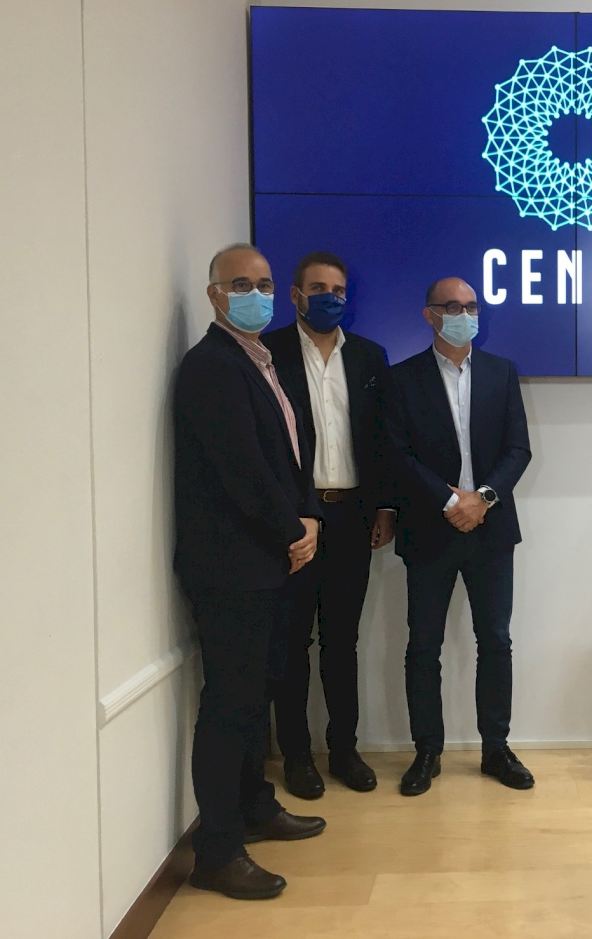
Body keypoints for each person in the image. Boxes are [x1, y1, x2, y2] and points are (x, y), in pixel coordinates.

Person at [173, 243, 326, 900]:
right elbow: (242, 470)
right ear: (214, 294)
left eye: (264, 284)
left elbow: (291, 453)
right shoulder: (211, 366)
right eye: (241, 284)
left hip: (269, 558)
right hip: (231, 565)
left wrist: (307, 516)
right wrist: (293, 529)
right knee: (229, 705)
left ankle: (255, 807)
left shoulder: (259, 361)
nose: (256, 295)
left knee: (256, 696)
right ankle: (217, 849)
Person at [389, 277, 535, 795]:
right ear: (429, 315)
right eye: (452, 307)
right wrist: (451, 501)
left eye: (471, 306)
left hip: (491, 530)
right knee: (423, 645)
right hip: (430, 528)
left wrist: (483, 498)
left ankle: (496, 748)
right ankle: (427, 751)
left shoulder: (501, 372)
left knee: (495, 640)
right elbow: (397, 454)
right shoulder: (402, 379)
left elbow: (518, 449)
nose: (464, 315)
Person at [262, 251, 398, 799]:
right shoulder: (269, 354)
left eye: (338, 290)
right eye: (318, 288)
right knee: (292, 641)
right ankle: (297, 757)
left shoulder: (368, 356)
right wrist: (292, 514)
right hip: (295, 518)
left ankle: (344, 751)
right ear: (296, 295)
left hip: (352, 516)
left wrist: (385, 507)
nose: (330, 297)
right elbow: (267, 446)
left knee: (343, 641)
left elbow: (381, 441)